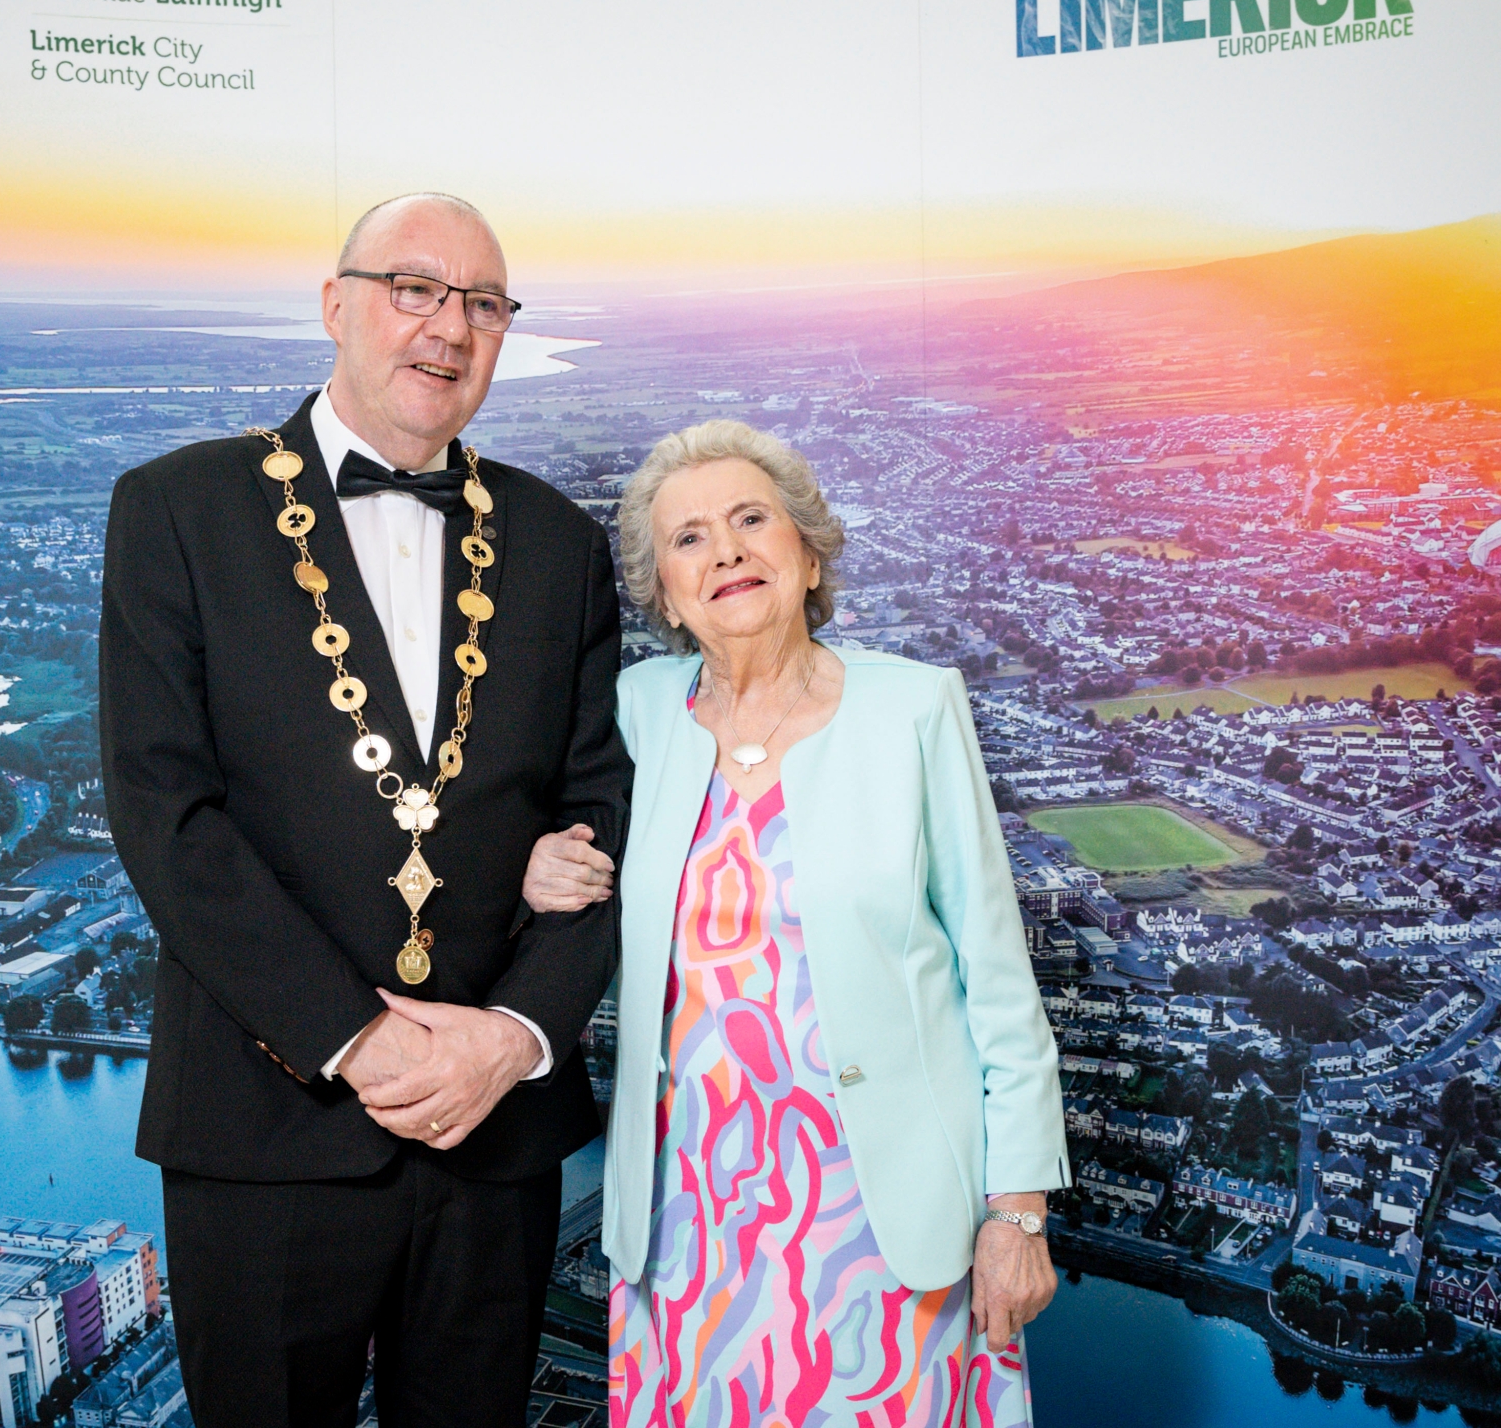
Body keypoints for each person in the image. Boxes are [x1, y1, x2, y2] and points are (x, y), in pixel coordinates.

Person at [99, 193, 630, 1426]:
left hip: (494, 1134)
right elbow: (166, 814)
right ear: (335, 305)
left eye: (483, 304)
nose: (449, 327)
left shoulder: (561, 543)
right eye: (415, 288)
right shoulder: (176, 508)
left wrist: (514, 1038)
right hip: (264, 1130)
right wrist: (356, 1039)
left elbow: (604, 814)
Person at [549, 419, 1067, 1425]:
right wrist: (537, 860)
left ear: (809, 551)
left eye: (752, 519)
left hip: (885, 1224)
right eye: (689, 537)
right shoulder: (633, 711)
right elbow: (530, 834)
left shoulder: (914, 710)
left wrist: (1018, 1210)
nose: (727, 551)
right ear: (664, 594)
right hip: (684, 1221)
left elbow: (998, 982)